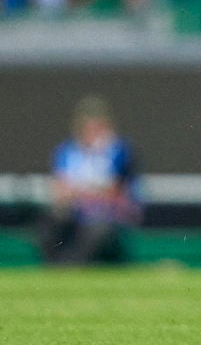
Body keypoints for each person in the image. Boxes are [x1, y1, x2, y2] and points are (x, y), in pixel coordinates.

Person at [38, 95, 142, 264]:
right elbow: (60, 188)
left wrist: (82, 192)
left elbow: (117, 191)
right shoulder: (66, 151)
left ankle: (73, 268)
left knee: (96, 230)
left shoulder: (120, 151)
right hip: (75, 214)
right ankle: (55, 269)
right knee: (50, 224)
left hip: (108, 217)